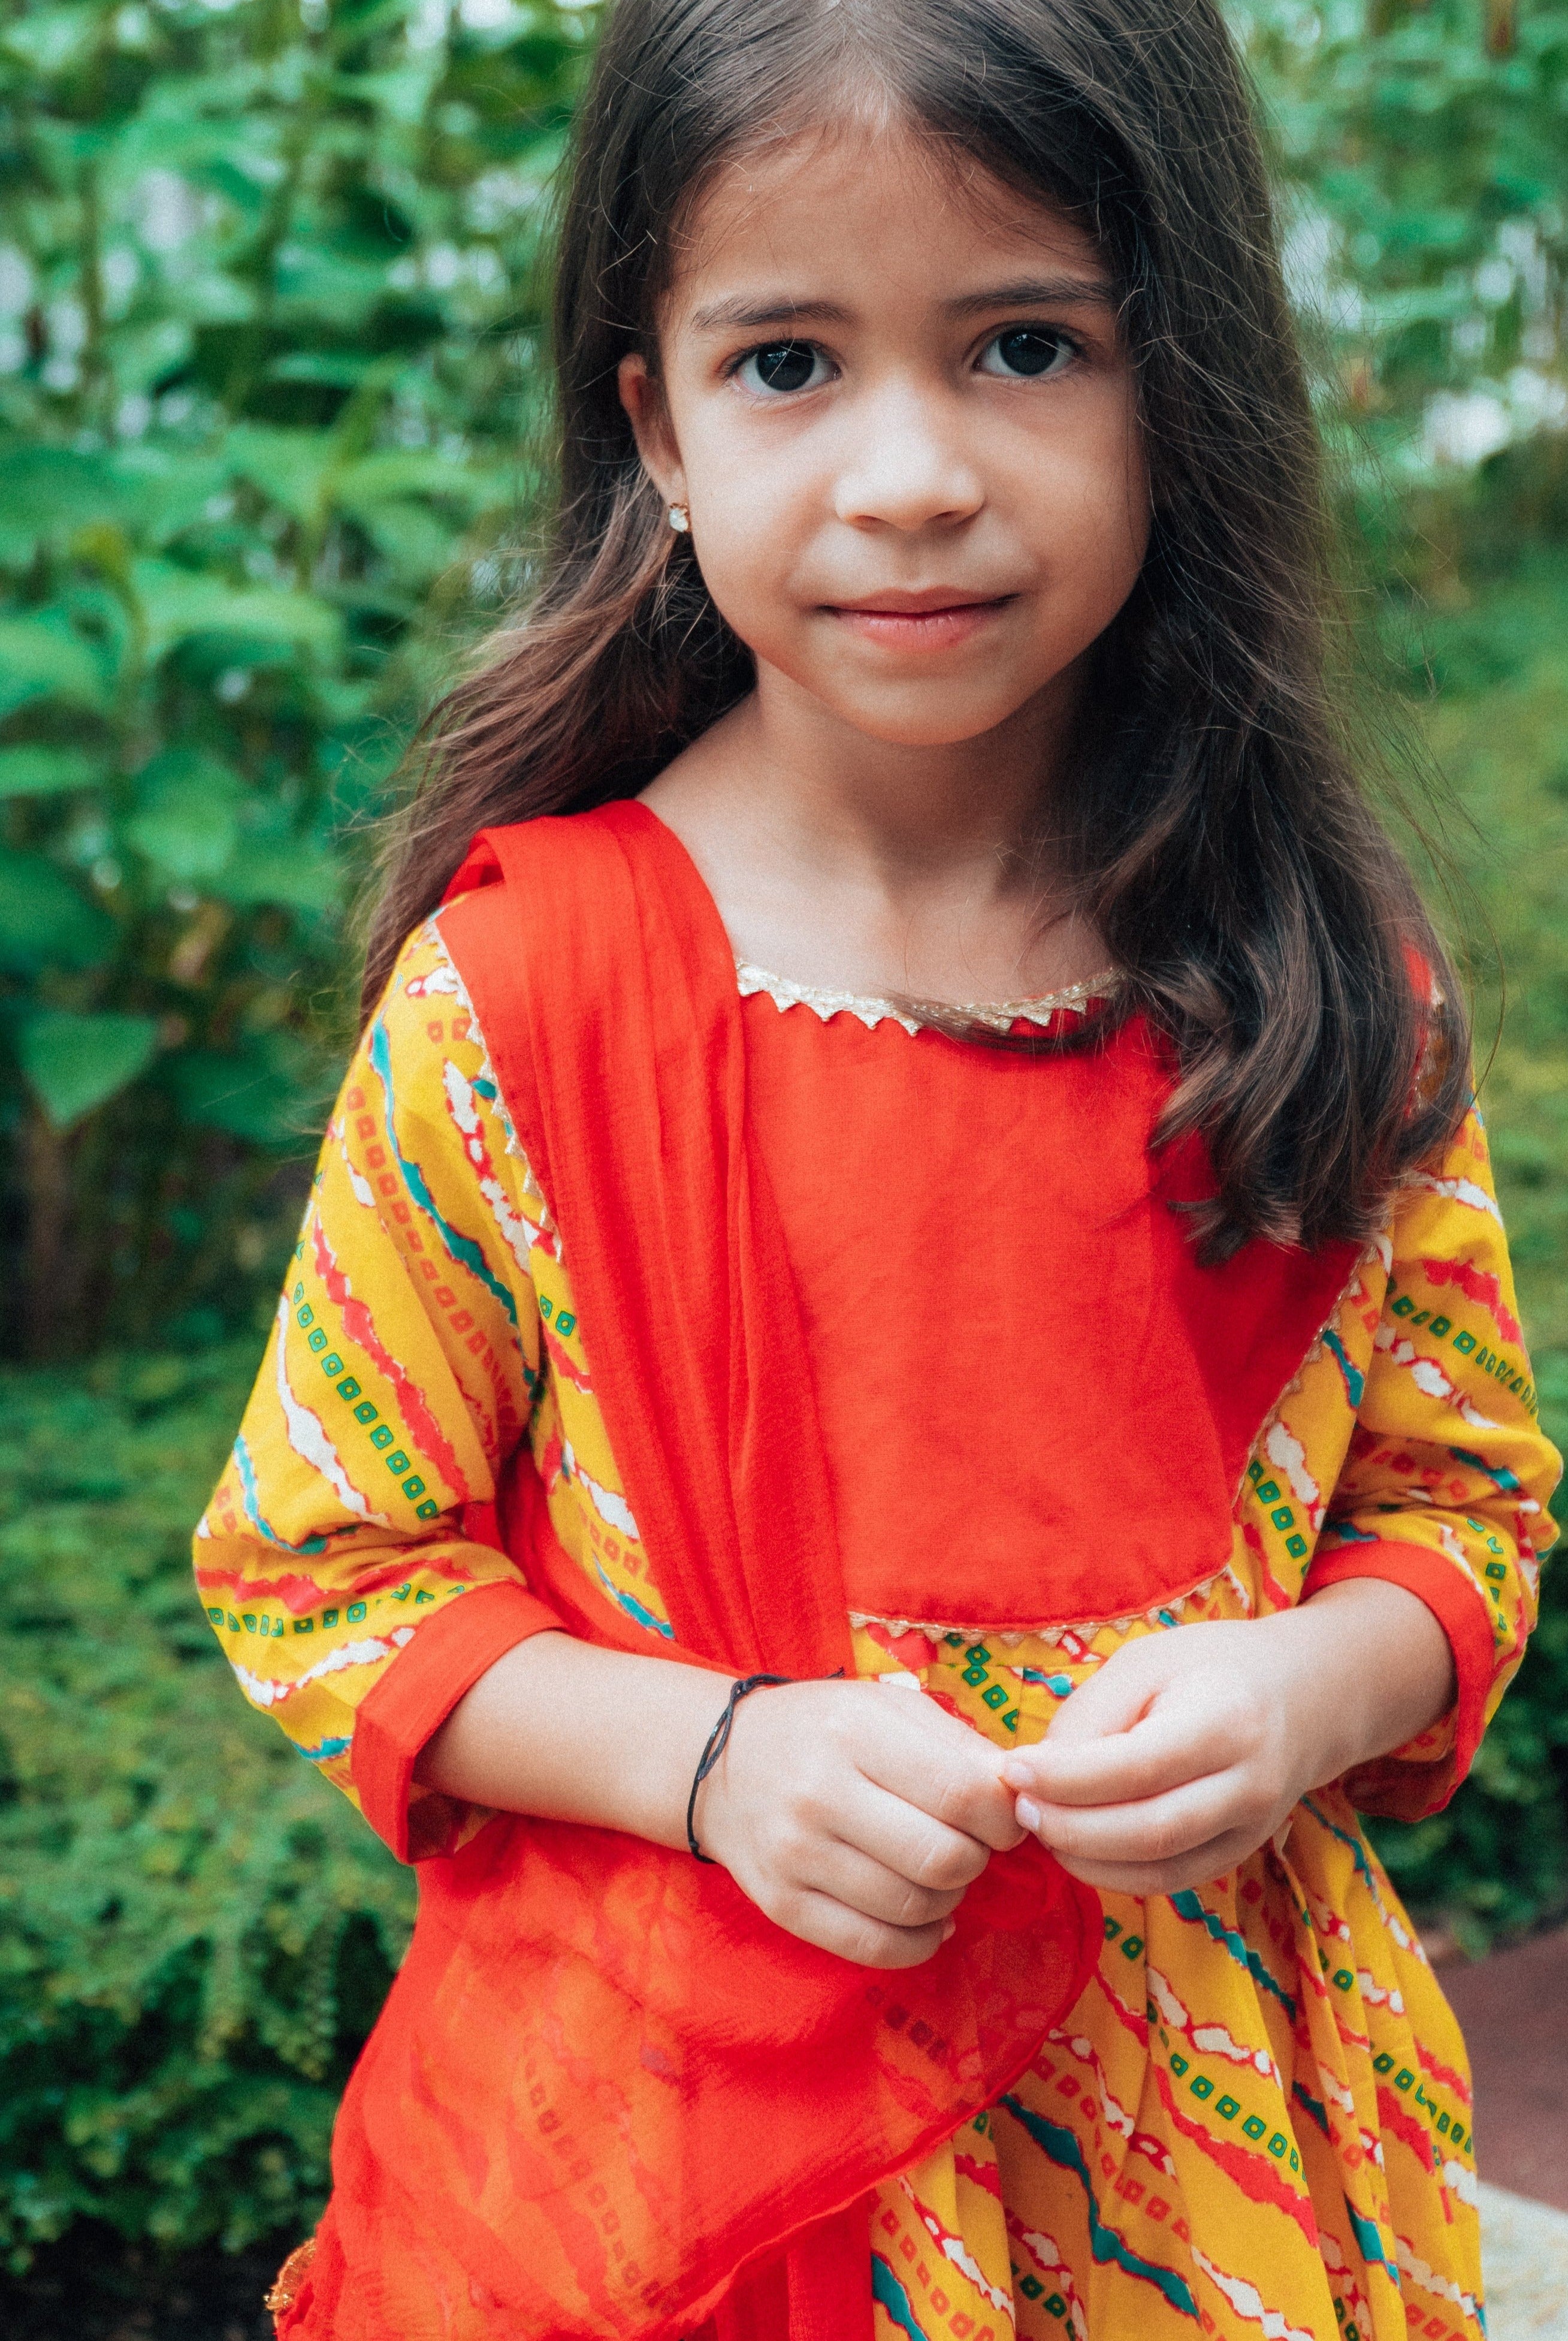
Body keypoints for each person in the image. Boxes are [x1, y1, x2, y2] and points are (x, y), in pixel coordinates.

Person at [194, 1, 1560, 2335]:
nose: (910, 472)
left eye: (1024, 342)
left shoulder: (1327, 977)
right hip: (682, 2159)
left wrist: (1310, 1693)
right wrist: (713, 1753)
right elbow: (323, 1568)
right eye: (788, 362)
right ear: (656, 421)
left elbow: (1461, 1500)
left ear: (1185, 378)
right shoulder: (530, 1000)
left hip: (1209, 2174)